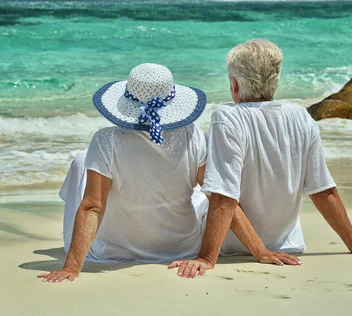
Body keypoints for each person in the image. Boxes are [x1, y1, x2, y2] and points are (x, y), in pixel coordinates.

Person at [170, 39, 352, 279]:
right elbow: (322, 191)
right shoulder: (301, 116)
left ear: (234, 85)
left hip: (231, 246)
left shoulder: (227, 117)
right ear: (276, 81)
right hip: (286, 245)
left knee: (198, 192)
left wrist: (207, 258)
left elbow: (224, 196)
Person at [39, 63, 268, 283]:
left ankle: (73, 252)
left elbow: (93, 207)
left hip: (115, 253)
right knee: (198, 196)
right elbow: (219, 197)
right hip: (182, 249)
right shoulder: (192, 135)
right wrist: (260, 251)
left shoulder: (106, 140)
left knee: (80, 165)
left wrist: (70, 267)